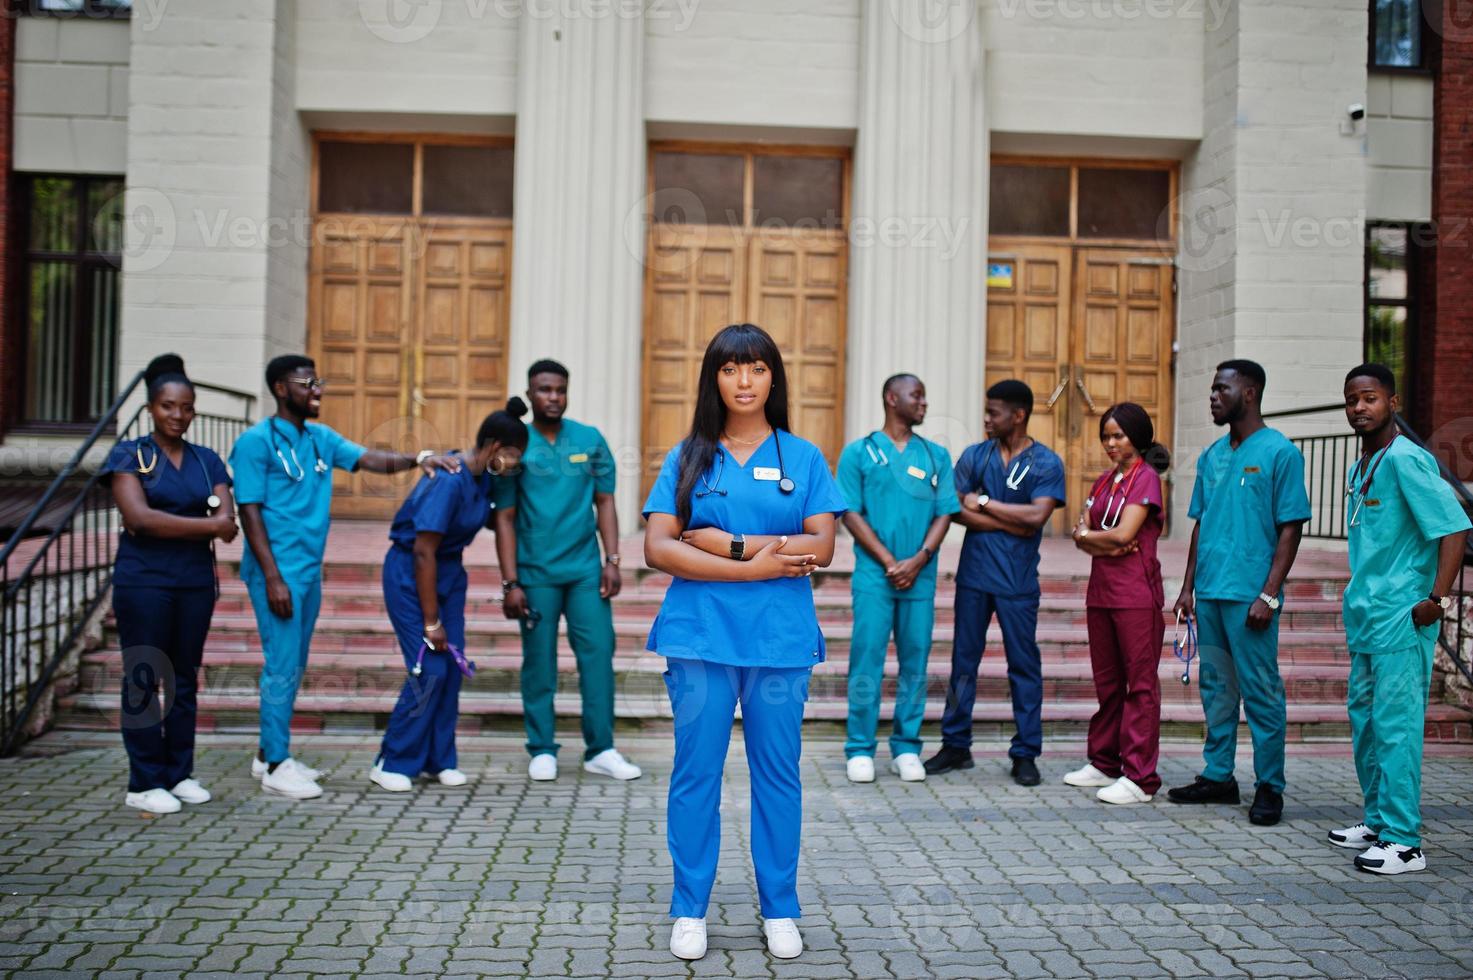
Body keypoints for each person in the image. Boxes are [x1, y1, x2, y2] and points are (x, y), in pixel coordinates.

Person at [643, 323, 846, 962]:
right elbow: (658, 547)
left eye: (756, 369)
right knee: (696, 773)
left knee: (778, 775)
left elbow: (822, 545)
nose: (744, 382)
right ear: (715, 379)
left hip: (779, 642)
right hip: (700, 639)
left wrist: (723, 543)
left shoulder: (803, 457)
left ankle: (780, 907)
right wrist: (752, 565)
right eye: (731, 370)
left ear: (773, 378)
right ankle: (689, 908)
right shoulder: (688, 457)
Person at [231, 354, 460, 801]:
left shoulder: (318, 438)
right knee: (280, 666)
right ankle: (278, 765)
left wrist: (419, 458)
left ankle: (267, 752)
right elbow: (249, 510)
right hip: (277, 574)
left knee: (293, 664)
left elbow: (369, 459)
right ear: (281, 388)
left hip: (307, 572)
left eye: (319, 381)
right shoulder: (255, 442)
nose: (318, 389)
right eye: (307, 383)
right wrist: (273, 577)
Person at [1330, 364, 1469, 874]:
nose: (1358, 408)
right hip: (1366, 614)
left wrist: (1437, 598)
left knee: (1395, 727)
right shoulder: (1362, 465)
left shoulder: (1409, 460)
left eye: (1369, 398)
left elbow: (1454, 528)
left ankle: (1405, 842)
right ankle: (1379, 821)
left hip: (1401, 616)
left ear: (1393, 403)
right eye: (1351, 401)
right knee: (1365, 723)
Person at [1166, 359, 1311, 826]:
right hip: (1209, 593)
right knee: (1216, 689)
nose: (1212, 396)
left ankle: (1269, 786)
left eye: (1220, 389)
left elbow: (1291, 528)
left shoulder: (1279, 452)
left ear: (1248, 393)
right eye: (1211, 389)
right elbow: (1200, 524)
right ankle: (1219, 776)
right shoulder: (1211, 455)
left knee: (1262, 692)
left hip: (1251, 598)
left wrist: (1269, 594)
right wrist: (1187, 587)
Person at [369, 399, 530, 792]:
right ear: (493, 448)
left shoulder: (484, 479)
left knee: (452, 669)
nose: (515, 464)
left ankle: (439, 760)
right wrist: (431, 620)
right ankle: (392, 760)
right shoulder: (448, 478)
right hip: (412, 573)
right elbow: (423, 550)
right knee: (430, 667)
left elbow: (496, 521)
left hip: (449, 575)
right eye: (512, 456)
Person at [494, 359, 640, 782]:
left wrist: (612, 561)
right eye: (543, 390)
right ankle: (541, 748)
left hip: (583, 571)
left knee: (597, 656)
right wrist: (510, 582)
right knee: (538, 661)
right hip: (534, 572)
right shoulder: (516, 444)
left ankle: (601, 748)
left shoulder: (589, 439)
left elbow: (606, 502)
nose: (553, 397)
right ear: (529, 392)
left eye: (559, 390)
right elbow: (504, 517)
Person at [104, 354, 236, 814]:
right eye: (167, 406)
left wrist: (197, 523)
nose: (177, 415)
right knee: (144, 677)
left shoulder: (207, 460)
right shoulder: (129, 455)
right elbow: (139, 520)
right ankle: (144, 781)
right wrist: (207, 526)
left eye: (185, 407)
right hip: (144, 582)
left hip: (194, 582)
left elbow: (229, 519)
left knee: (183, 679)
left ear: (194, 411)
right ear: (150, 409)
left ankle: (179, 773)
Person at [925, 380, 1065, 785]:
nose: (986, 419)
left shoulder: (1046, 463)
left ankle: (1025, 752)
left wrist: (984, 502)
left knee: (1023, 665)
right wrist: (1011, 521)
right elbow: (954, 508)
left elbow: (1037, 518)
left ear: (1018, 415)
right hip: (975, 577)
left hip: (1018, 581)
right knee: (963, 663)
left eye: (994, 412)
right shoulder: (975, 456)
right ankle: (955, 745)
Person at [836, 373, 959, 784]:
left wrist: (919, 559)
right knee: (867, 660)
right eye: (916, 396)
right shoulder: (859, 453)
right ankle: (859, 747)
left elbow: (946, 512)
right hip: (875, 576)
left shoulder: (935, 455)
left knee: (915, 662)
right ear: (892, 398)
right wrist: (891, 561)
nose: (923, 403)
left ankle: (906, 747)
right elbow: (850, 512)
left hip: (919, 578)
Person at [1066, 403, 1170, 805]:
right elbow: (1083, 531)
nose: (1111, 443)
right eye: (1105, 436)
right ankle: (1105, 761)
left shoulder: (1146, 480)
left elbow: (1124, 533)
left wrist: (1095, 538)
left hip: (1135, 597)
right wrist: (1098, 540)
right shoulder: (1105, 481)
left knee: (1139, 684)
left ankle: (1140, 777)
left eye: (1118, 436)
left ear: (1138, 437)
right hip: (1102, 594)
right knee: (1108, 682)